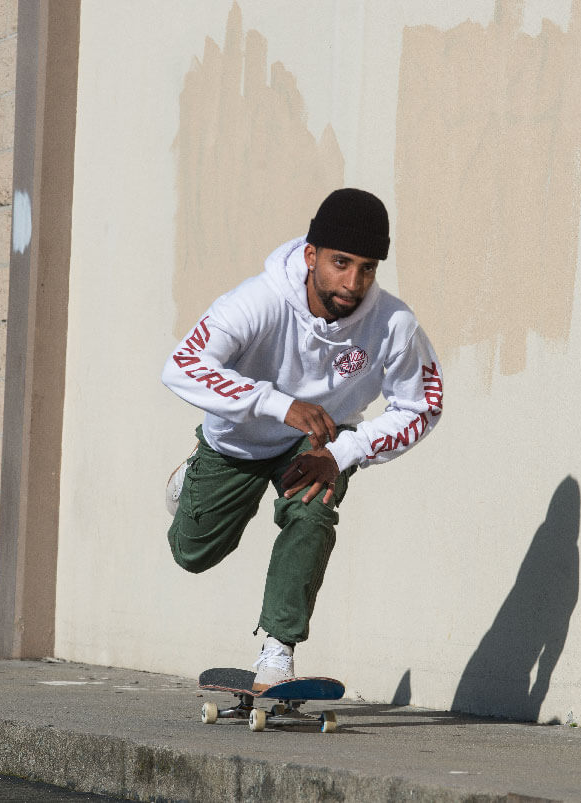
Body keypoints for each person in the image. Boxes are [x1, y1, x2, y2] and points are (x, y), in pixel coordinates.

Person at [161, 188, 444, 689]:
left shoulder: (394, 324)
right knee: (194, 553)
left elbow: (423, 405)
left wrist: (344, 452)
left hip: (319, 441)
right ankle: (191, 478)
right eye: (340, 263)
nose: (353, 284)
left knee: (314, 509)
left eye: (368, 268)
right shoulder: (260, 302)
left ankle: (277, 649)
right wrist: (277, 403)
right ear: (311, 256)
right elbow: (182, 366)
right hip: (240, 440)